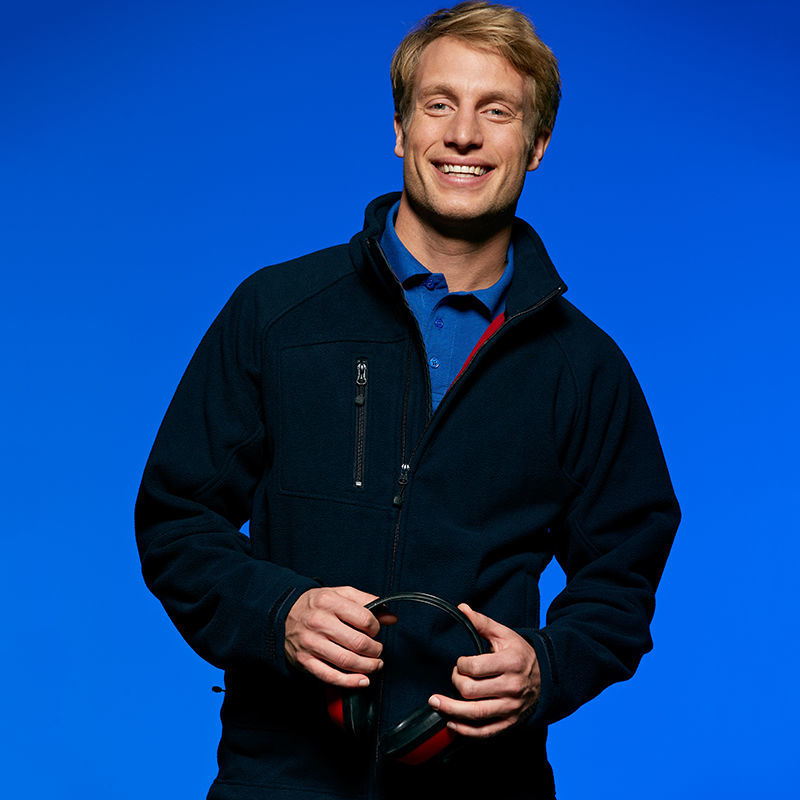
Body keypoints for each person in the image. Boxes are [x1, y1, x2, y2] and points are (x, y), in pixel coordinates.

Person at [135, 3, 680, 798]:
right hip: (280, 780)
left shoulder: (584, 367)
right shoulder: (276, 313)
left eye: (497, 111)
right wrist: (277, 612)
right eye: (439, 104)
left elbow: (623, 577)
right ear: (400, 129)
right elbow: (176, 519)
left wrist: (548, 665)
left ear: (536, 146)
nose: (463, 135)